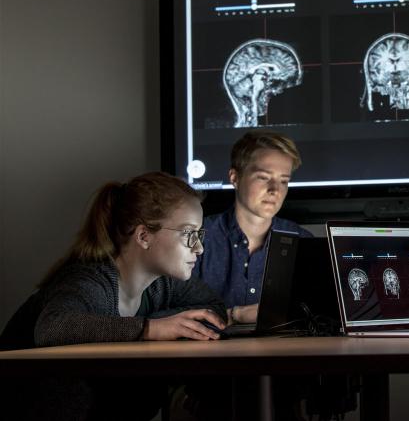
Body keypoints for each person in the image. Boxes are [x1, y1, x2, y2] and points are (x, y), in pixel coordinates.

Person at [0, 172, 227, 420]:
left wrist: (165, 325)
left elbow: (212, 307)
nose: (199, 247)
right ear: (143, 236)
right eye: (188, 233)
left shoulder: (162, 283)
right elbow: (53, 327)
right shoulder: (89, 280)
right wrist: (150, 329)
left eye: (199, 234)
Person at [193, 130, 312, 324]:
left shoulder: (303, 242)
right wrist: (235, 315)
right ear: (234, 178)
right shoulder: (198, 238)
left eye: (284, 180)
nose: (275, 190)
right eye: (264, 177)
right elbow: (171, 315)